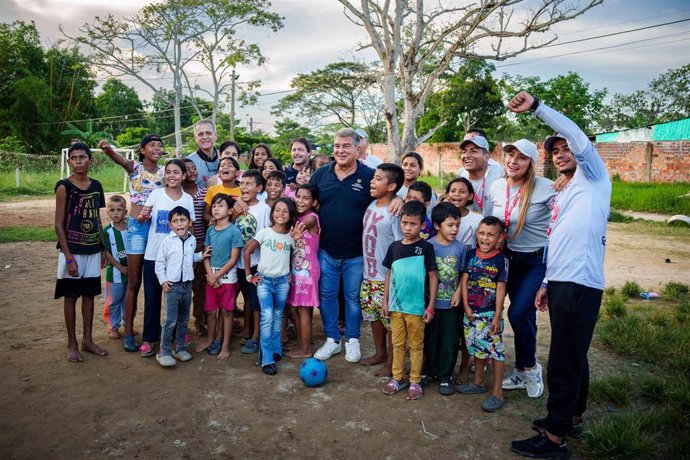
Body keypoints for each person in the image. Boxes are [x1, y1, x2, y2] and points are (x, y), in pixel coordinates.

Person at [508, 92, 611, 458]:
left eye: (567, 148)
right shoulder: (566, 191)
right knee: (575, 354)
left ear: (582, 150)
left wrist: (537, 107)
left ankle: (555, 438)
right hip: (564, 281)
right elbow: (559, 237)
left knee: (564, 359)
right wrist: (548, 283)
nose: (561, 153)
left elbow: (576, 135)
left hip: (581, 283)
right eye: (555, 151)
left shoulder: (594, 176)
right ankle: (572, 416)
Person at [311, 127, 402, 363]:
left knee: (353, 299)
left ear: (357, 148)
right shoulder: (320, 175)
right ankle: (332, 339)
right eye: (336, 146)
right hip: (326, 250)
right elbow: (306, 203)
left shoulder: (369, 175)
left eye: (346, 146)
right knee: (327, 296)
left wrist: (400, 199)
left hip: (356, 254)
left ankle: (352, 340)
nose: (340, 151)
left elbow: (387, 190)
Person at [488, 138, 555, 399]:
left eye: (521, 158)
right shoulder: (497, 186)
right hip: (508, 259)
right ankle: (520, 368)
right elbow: (491, 222)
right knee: (525, 315)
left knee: (517, 314)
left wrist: (548, 279)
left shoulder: (547, 188)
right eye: (510, 155)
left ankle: (530, 367)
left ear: (531, 163)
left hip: (536, 261)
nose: (513, 162)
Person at [99, 136, 164, 352]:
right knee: (133, 282)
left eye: (160, 145)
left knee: (155, 283)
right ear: (142, 150)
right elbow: (118, 159)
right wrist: (108, 150)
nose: (157, 148)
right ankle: (128, 332)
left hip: (157, 230)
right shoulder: (134, 167)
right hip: (137, 229)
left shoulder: (165, 172)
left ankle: (153, 330)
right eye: (152, 145)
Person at [54, 142, 108, 362]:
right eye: (74, 158)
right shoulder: (63, 186)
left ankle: (87, 340)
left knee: (89, 295)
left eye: (82, 157)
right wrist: (69, 258)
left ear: (90, 160)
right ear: (69, 162)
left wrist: (103, 247)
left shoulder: (96, 186)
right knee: (70, 296)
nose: (78, 161)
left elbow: (97, 219)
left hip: (93, 249)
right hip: (72, 251)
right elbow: (58, 225)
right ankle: (72, 344)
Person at [137, 159, 196, 358]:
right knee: (152, 299)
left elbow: (192, 227)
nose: (172, 175)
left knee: (179, 301)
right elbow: (141, 218)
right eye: (168, 172)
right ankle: (149, 337)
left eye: (176, 172)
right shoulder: (155, 194)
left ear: (184, 176)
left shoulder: (187, 199)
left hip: (178, 260)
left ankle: (178, 336)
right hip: (154, 256)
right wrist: (142, 216)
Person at [381, 201, 438, 400]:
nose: (408, 228)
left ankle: (415, 380)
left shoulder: (426, 248)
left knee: (416, 345)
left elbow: (433, 277)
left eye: (413, 224)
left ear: (422, 225)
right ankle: (397, 377)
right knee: (397, 345)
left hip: (417, 309)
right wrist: (385, 301)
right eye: (404, 223)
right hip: (396, 308)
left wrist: (430, 307)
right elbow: (389, 274)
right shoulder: (394, 247)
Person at [243, 198, 304, 375]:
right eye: (277, 210)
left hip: (283, 282)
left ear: (291, 214)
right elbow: (247, 251)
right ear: (272, 213)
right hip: (264, 281)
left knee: (278, 316)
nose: (281, 214)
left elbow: (298, 256)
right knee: (267, 316)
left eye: (285, 211)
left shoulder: (290, 236)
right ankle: (267, 358)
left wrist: (298, 242)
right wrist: (249, 276)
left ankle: (276, 349)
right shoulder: (264, 232)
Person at [457, 216, 508, 413]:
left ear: (500, 238)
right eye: (482, 233)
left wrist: (497, 315)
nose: (485, 238)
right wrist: (466, 308)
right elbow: (464, 281)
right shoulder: (470, 254)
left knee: (496, 351)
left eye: (491, 235)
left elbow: (501, 289)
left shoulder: (501, 260)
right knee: (478, 348)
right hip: (471, 314)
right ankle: (478, 382)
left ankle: (497, 393)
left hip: (489, 315)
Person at [359, 163, 404, 376]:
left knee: (390, 323)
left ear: (392, 186)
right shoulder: (371, 205)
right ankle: (380, 353)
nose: (372, 182)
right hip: (368, 275)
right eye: (373, 178)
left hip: (386, 278)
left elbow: (399, 244)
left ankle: (392, 363)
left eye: (378, 179)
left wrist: (393, 277)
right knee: (373, 317)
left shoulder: (395, 212)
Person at [154, 206, 210, 367]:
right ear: (170, 224)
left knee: (184, 319)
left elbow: (189, 257)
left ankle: (179, 348)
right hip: (172, 287)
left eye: (183, 220)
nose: (180, 224)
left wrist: (201, 256)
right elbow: (159, 263)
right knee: (170, 320)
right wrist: (163, 281)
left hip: (187, 285)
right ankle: (164, 351)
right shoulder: (167, 241)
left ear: (190, 222)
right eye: (175, 221)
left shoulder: (192, 240)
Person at [422, 202, 466, 395]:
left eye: (457, 225)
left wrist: (458, 292)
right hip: (430, 305)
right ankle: (429, 372)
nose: (455, 229)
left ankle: (445, 376)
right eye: (450, 225)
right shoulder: (428, 246)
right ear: (437, 225)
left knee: (450, 341)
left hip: (452, 305)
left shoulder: (461, 248)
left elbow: (463, 273)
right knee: (430, 339)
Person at [196, 194, 244, 359]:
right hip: (212, 276)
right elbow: (206, 254)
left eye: (221, 205)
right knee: (210, 311)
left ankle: (225, 345)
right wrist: (210, 275)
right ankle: (210, 340)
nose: (216, 208)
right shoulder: (210, 230)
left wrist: (217, 276)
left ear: (230, 210)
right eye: (214, 205)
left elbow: (233, 259)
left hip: (227, 278)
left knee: (227, 312)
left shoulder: (234, 231)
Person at [235, 169, 271, 354]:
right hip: (237, 262)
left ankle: (256, 336)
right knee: (247, 298)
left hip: (257, 263)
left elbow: (267, 234)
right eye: (242, 183)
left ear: (259, 187)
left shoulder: (264, 209)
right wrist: (238, 203)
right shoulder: (236, 205)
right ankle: (246, 330)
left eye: (249, 184)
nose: (244, 187)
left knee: (256, 300)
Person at [285, 184, 321, 359]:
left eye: (306, 198)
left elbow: (302, 225)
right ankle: (302, 344)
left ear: (314, 202)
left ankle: (305, 349)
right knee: (294, 308)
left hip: (306, 273)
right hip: (295, 271)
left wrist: (291, 224)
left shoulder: (312, 218)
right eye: (298, 196)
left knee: (304, 310)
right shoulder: (296, 217)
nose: (300, 201)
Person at [182, 159, 208, 336]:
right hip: (182, 246)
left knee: (200, 287)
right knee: (182, 286)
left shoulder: (204, 193)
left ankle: (200, 320)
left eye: (194, 168)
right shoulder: (178, 194)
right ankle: (180, 323)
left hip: (200, 244)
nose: (192, 171)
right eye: (188, 169)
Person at [102, 195, 129, 339]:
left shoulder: (131, 228)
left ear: (126, 211)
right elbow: (106, 252)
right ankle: (113, 326)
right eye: (112, 210)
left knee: (128, 300)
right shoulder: (107, 232)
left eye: (119, 210)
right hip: (115, 274)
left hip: (130, 273)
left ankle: (127, 325)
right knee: (113, 301)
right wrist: (119, 267)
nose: (116, 213)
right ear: (108, 212)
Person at [456, 136, 504, 216]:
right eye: (464, 152)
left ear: (486, 156)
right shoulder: (461, 174)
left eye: (473, 151)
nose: (467, 155)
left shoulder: (500, 173)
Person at [445, 177, 483, 250]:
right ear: (447, 195)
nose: (456, 194)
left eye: (462, 192)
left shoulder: (478, 219)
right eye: (453, 191)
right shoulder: (441, 217)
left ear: (470, 196)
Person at [397, 152, 437, 217]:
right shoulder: (394, 189)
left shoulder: (427, 192)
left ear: (421, 169)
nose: (407, 168)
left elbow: (430, 216)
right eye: (405, 164)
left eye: (412, 165)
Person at [203, 157, 241, 223]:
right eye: (222, 166)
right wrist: (212, 220)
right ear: (219, 174)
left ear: (237, 173)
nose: (225, 167)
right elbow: (206, 214)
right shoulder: (212, 190)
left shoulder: (243, 190)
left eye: (230, 165)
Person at [187, 119, 220, 188]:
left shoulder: (225, 157)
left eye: (208, 133)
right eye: (200, 134)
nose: (205, 137)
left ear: (216, 135)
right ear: (195, 138)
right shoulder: (189, 162)